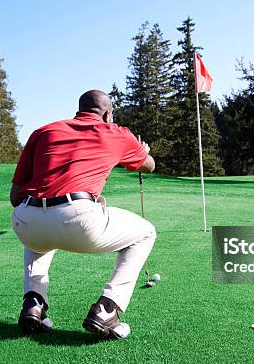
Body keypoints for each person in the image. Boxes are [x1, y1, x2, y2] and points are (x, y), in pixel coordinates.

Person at [9, 90, 156, 339]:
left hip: (27, 220)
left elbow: (15, 197)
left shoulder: (43, 132)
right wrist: (140, 150)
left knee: (37, 237)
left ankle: (33, 303)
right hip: (78, 219)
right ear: (108, 114)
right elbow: (149, 165)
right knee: (146, 233)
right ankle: (107, 309)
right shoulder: (118, 133)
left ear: (79, 110)